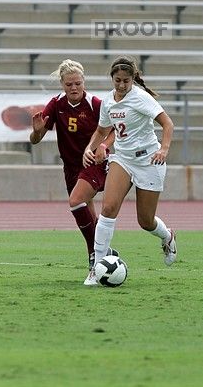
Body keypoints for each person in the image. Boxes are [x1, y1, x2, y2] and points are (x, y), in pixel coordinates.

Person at [83, 55, 177, 286]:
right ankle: (97, 266)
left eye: (126, 81)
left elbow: (168, 124)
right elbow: (102, 130)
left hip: (149, 161)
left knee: (145, 221)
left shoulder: (141, 98)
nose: (122, 85)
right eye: (118, 80)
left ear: (133, 79)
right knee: (108, 207)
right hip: (123, 159)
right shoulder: (108, 102)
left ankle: (167, 236)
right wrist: (90, 148)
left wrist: (163, 149)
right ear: (112, 79)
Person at [29, 59, 116, 279]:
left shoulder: (96, 104)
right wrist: (37, 132)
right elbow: (35, 140)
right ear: (62, 84)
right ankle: (105, 253)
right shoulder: (56, 104)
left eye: (77, 83)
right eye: (69, 85)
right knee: (87, 213)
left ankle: (94, 255)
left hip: (94, 163)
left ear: (83, 81)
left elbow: (113, 130)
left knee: (76, 201)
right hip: (70, 168)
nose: (74, 88)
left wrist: (103, 146)